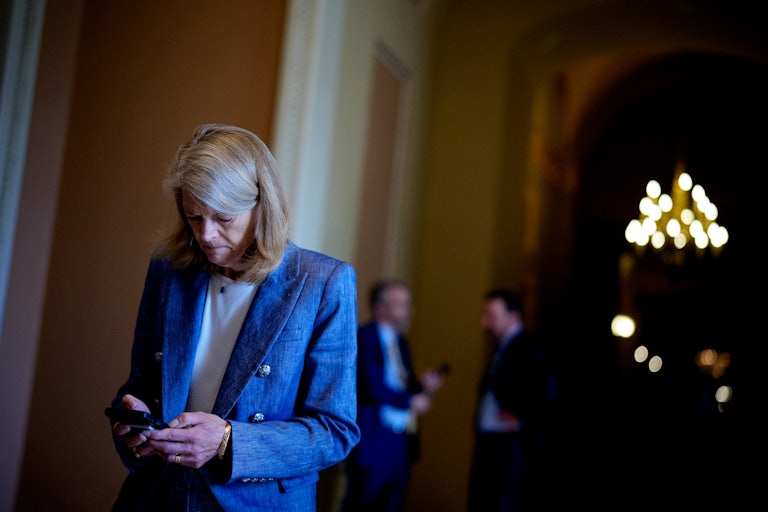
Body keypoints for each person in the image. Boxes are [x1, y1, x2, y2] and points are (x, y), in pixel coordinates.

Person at [106, 123, 360, 511]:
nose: (206, 235)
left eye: (223, 218)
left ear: (262, 207)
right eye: (194, 217)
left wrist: (227, 440)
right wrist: (136, 423)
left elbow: (335, 430)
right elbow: (142, 381)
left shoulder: (323, 283)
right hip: (157, 496)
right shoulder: (168, 271)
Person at [341, 279, 446, 512]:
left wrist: (422, 386)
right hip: (373, 440)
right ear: (381, 308)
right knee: (362, 504)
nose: (409, 310)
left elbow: (399, 388)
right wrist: (410, 400)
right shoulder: (364, 337)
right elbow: (370, 385)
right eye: (402, 303)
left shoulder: (402, 343)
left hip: (401, 442)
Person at [466, 288, 556, 512]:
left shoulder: (527, 346)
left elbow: (547, 389)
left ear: (513, 316)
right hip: (492, 441)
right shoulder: (502, 347)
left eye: (492, 315)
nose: (485, 322)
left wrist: (524, 419)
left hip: (508, 446)